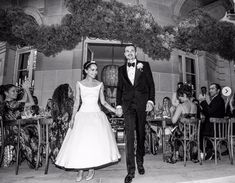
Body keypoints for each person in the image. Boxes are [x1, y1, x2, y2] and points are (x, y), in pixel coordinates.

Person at [55, 61, 120, 182]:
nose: (95, 72)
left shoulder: (100, 84)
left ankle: (91, 168)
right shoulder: (79, 83)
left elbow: (103, 102)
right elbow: (76, 102)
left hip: (96, 115)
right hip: (83, 115)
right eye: (92, 70)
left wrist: (115, 110)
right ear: (86, 71)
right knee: (81, 143)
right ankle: (80, 169)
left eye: (96, 70)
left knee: (93, 143)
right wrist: (73, 117)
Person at [116, 45, 155, 183]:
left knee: (141, 135)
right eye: (127, 51)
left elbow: (151, 85)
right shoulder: (121, 69)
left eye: (132, 51)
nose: (130, 53)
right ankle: (130, 171)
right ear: (124, 54)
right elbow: (119, 89)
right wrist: (119, 105)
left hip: (142, 105)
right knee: (129, 138)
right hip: (127, 106)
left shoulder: (144, 65)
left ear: (136, 52)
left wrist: (150, 101)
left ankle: (140, 162)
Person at [2, 81, 39, 168]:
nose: (16, 93)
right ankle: (33, 160)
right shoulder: (10, 104)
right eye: (13, 91)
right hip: (13, 132)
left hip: (14, 130)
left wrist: (25, 90)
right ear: (6, 93)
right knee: (30, 130)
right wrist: (27, 90)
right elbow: (32, 103)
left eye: (16, 91)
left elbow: (23, 101)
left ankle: (34, 159)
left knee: (32, 129)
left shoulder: (10, 103)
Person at [199, 83, 225, 160]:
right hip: (214, 127)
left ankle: (205, 152)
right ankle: (210, 151)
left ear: (218, 90)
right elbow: (208, 112)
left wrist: (203, 101)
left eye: (213, 88)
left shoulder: (218, 99)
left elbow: (209, 112)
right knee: (200, 128)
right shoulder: (215, 99)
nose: (210, 90)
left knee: (199, 131)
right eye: (210, 89)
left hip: (215, 129)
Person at [49, 84, 74, 163]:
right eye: (70, 91)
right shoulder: (70, 102)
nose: (72, 92)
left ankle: (57, 157)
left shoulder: (53, 103)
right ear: (64, 93)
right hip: (67, 130)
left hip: (54, 131)